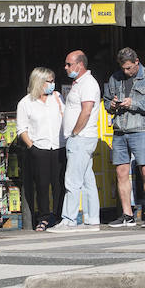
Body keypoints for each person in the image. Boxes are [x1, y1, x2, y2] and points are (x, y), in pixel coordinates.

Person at [102, 47, 145, 228]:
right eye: (123, 68)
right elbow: (106, 102)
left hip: (141, 129)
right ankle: (127, 214)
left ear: (137, 61)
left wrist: (133, 103)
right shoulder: (115, 77)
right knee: (121, 172)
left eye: (129, 68)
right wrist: (111, 105)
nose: (126, 71)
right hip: (120, 129)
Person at [48, 50, 102, 232]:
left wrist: (75, 132)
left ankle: (69, 219)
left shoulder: (87, 84)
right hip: (83, 137)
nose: (66, 67)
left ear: (80, 64)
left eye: (69, 64)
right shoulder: (81, 83)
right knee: (87, 180)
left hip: (81, 137)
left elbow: (86, 110)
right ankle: (92, 219)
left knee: (72, 180)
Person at [16, 67, 64, 232]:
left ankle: (59, 216)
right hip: (39, 147)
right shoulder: (26, 103)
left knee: (59, 184)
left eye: (52, 81)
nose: (52, 84)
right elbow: (21, 128)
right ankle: (43, 217)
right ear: (39, 82)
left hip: (59, 146)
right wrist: (32, 146)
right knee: (42, 185)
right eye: (49, 81)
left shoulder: (57, 98)